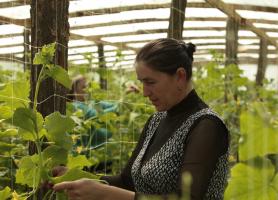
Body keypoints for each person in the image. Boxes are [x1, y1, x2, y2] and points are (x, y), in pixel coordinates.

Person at [53, 38, 229, 200]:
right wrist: (76, 175)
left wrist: (106, 194)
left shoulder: (206, 125)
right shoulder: (156, 120)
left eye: (150, 82)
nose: (144, 92)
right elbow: (126, 181)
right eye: (142, 82)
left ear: (180, 76)